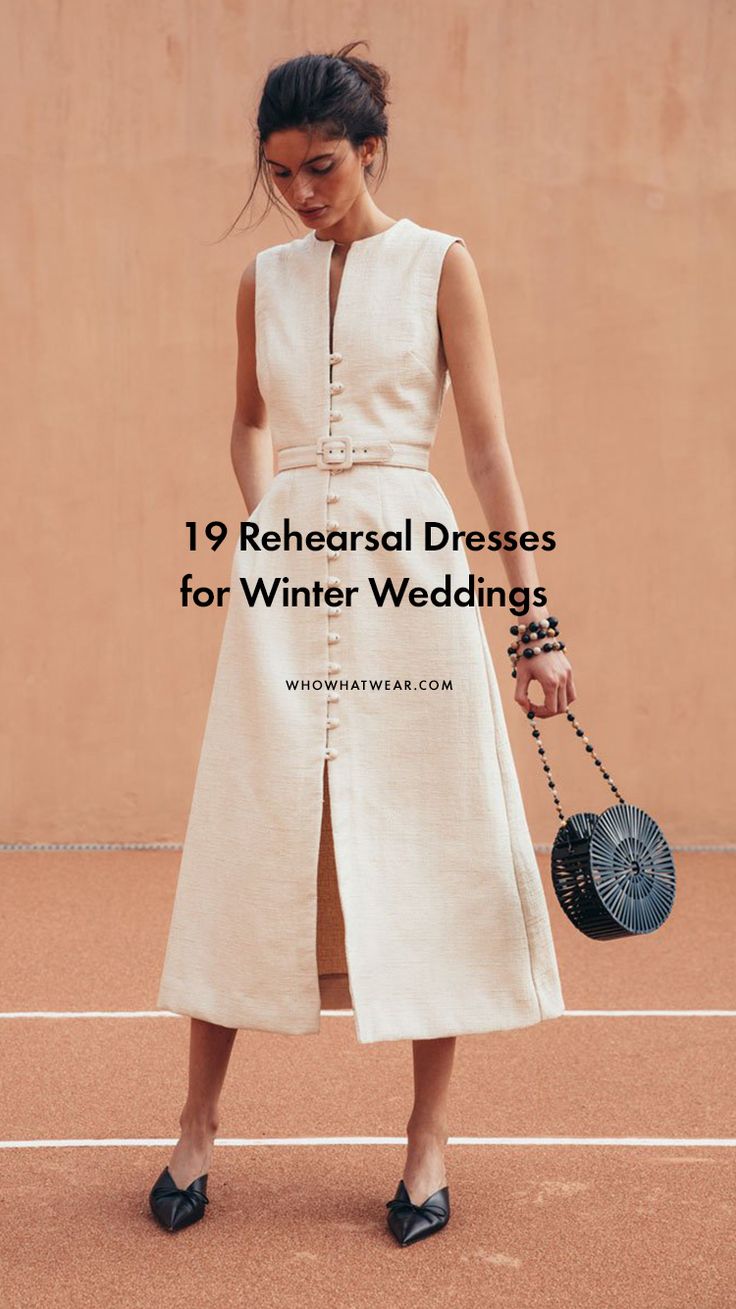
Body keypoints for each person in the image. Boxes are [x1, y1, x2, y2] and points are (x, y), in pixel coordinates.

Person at [149, 41, 575, 1248]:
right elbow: (245, 423)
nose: (301, 192)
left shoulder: (442, 266)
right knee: (251, 828)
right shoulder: (263, 280)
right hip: (285, 586)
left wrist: (533, 618)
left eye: (322, 167)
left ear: (370, 150)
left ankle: (427, 1140)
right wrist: (262, 533)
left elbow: (488, 453)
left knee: (429, 832)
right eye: (281, 172)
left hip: (412, 572)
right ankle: (195, 1124)